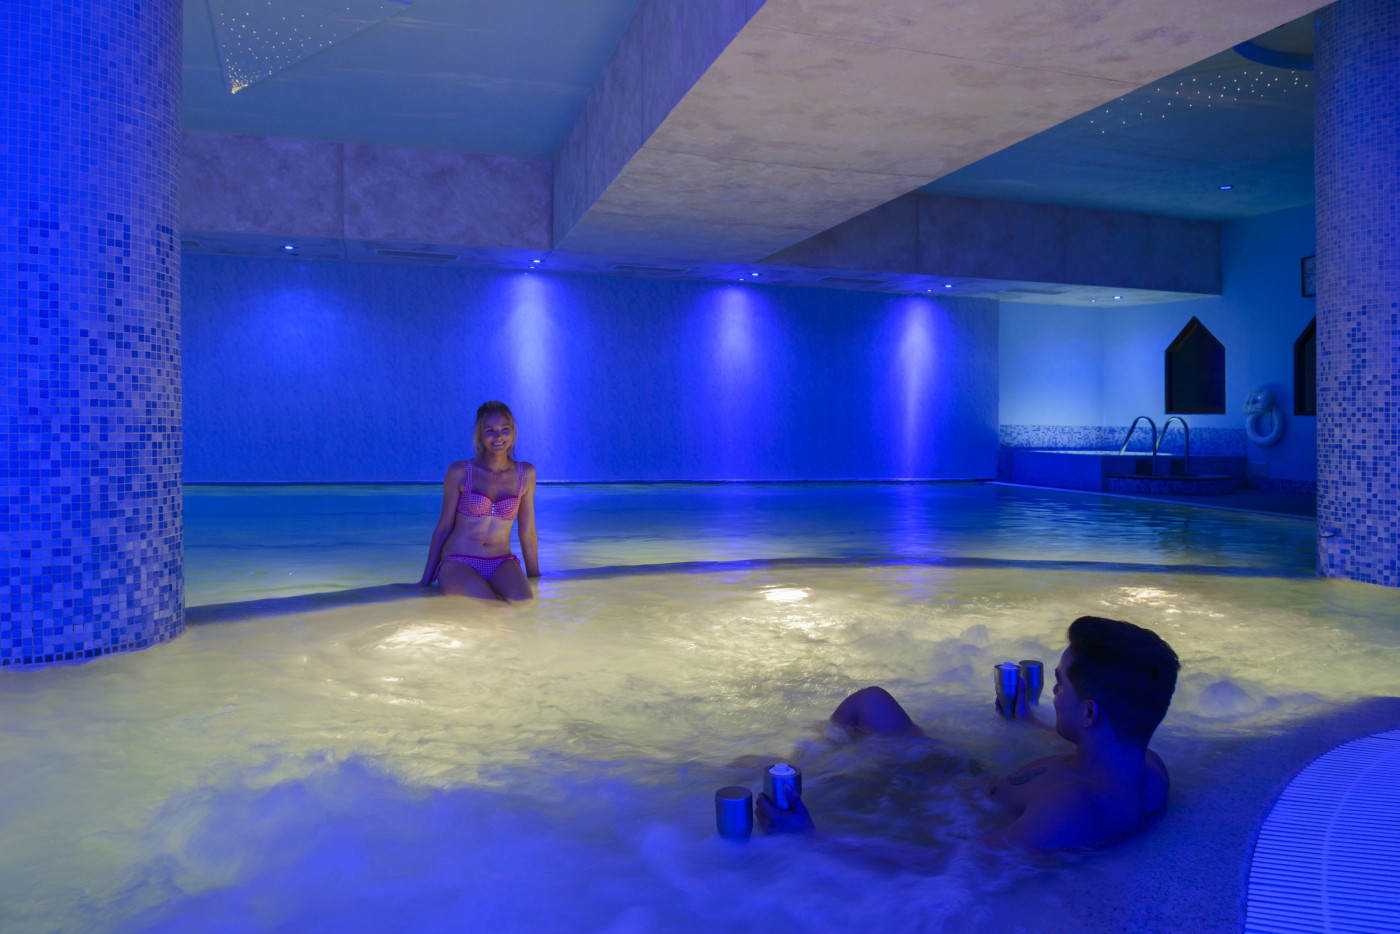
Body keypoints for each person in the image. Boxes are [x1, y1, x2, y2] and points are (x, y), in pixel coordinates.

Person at [757, 616, 1180, 851]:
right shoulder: (1144, 765)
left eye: (1059, 684)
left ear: (1089, 712)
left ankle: (812, 766)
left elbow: (949, 868)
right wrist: (1030, 724)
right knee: (872, 702)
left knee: (868, 706)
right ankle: (816, 759)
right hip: (957, 782)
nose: (1053, 694)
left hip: (926, 805)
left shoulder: (1075, 811)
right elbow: (1101, 745)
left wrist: (812, 840)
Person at [418, 401, 538, 603]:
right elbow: (443, 527)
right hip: (459, 560)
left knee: (525, 603)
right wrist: (425, 582)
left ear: (513, 432)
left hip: (501, 561)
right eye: (489, 430)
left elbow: (528, 532)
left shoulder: (525, 473)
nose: (498, 436)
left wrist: (536, 580)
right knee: (493, 608)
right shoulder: (460, 471)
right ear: (479, 434)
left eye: (504, 429)